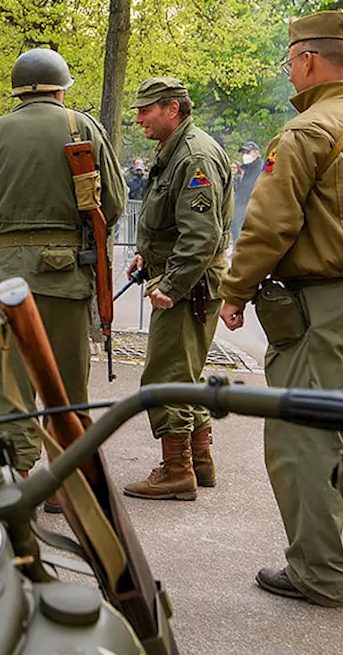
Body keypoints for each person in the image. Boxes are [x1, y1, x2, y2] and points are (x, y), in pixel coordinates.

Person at [218, 10, 343, 607]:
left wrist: (236, 290)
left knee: (306, 436)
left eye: (290, 63)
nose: (290, 73)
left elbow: (271, 223)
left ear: (307, 60)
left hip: (319, 309)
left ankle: (317, 573)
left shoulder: (305, 132)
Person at [0, 48, 125, 478]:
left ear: (18, 91)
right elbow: (113, 204)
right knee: (68, 387)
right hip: (67, 275)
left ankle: (19, 477)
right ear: (61, 89)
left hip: (5, 275)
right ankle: (68, 481)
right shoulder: (82, 127)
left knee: (12, 385)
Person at [121, 78, 234, 501]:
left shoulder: (193, 155)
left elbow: (201, 236)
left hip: (190, 288)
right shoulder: (179, 150)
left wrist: (170, 284)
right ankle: (199, 462)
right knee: (186, 374)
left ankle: (177, 471)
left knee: (166, 377)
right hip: (187, 282)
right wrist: (147, 259)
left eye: (145, 110)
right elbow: (171, 222)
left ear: (172, 109)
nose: (138, 119)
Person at [230, 141, 263, 241]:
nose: (245, 155)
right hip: (240, 206)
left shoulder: (262, 168)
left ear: (256, 153)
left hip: (253, 208)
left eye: (248, 152)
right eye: (244, 152)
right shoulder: (245, 169)